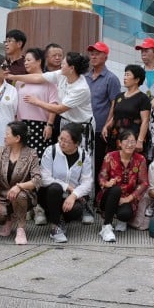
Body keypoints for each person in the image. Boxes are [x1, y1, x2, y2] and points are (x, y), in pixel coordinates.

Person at [8, 51, 94, 224]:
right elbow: (38, 78)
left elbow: (59, 108)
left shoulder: (81, 87)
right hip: (66, 124)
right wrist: (14, 76)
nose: (59, 65)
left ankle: (84, 203)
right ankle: (62, 197)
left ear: (72, 68)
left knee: (82, 164)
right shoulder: (61, 74)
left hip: (82, 127)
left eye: (63, 63)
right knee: (61, 162)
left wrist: (36, 102)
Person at [38, 124, 93, 243]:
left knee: (75, 211)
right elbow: (44, 177)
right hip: (49, 194)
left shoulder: (84, 156)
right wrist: (66, 186)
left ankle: (60, 217)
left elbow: (87, 182)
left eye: (66, 141)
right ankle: (55, 226)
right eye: (60, 139)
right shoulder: (51, 151)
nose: (62, 143)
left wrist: (74, 195)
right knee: (55, 188)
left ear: (76, 143)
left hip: (70, 198)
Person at [0, 121, 41, 245]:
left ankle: (21, 228)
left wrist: (19, 187)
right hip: (3, 195)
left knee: (19, 195)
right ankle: (8, 219)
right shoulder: (0, 152)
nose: (4, 136)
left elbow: (37, 180)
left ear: (17, 138)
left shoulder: (31, 153)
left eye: (7, 134)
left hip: (23, 195)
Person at [96, 129, 148, 243]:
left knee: (125, 214)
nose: (130, 144)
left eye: (133, 141)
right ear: (119, 143)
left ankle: (121, 220)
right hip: (110, 195)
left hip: (127, 197)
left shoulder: (140, 159)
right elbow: (101, 177)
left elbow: (144, 183)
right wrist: (107, 183)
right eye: (126, 141)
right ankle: (106, 226)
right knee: (115, 190)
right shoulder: (110, 156)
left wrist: (129, 198)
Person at [85, 41, 121, 196]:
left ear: (106, 56)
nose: (93, 56)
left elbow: (115, 104)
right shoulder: (84, 77)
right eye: (91, 53)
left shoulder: (111, 78)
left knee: (99, 163)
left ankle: (98, 198)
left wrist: (107, 125)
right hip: (83, 127)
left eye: (97, 53)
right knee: (84, 163)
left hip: (100, 129)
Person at [15, 48, 58, 157]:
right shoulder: (20, 82)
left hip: (41, 126)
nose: (26, 63)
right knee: (20, 159)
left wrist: (49, 125)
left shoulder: (49, 81)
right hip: (21, 125)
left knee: (38, 159)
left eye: (29, 60)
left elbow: (54, 105)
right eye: (25, 61)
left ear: (39, 61)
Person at [102, 64, 151, 154]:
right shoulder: (119, 96)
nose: (125, 77)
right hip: (116, 136)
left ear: (137, 79)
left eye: (128, 75)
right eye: (125, 75)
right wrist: (106, 126)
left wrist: (140, 140)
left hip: (132, 137)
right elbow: (116, 115)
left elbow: (145, 120)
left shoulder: (143, 98)